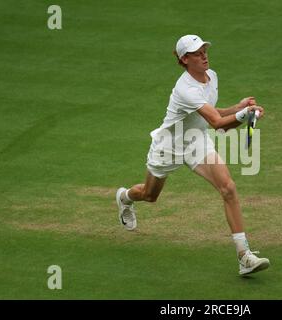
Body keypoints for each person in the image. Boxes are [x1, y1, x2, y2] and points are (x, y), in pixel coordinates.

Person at [116, 35, 270, 275]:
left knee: (228, 188)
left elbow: (213, 112)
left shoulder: (212, 77)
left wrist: (238, 109)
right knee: (149, 195)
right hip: (169, 144)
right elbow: (219, 124)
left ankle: (244, 256)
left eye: (204, 50)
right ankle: (125, 198)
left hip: (197, 140)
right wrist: (244, 116)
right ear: (185, 59)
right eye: (197, 53)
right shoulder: (185, 88)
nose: (204, 55)